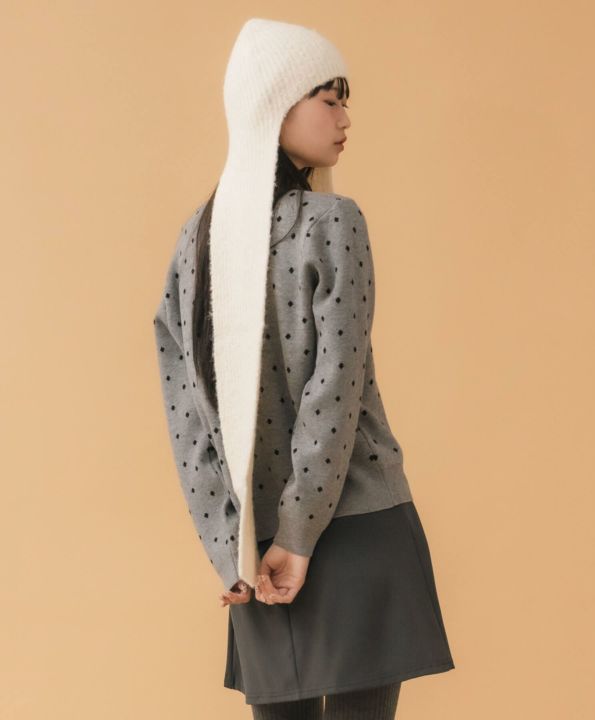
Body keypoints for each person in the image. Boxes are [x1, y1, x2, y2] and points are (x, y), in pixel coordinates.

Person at [153, 18, 455, 719]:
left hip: (256, 542)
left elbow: (185, 412)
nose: (346, 119)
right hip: (353, 521)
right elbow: (334, 392)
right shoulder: (332, 221)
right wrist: (297, 534)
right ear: (275, 105)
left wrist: (228, 542)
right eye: (329, 98)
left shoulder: (192, 244)